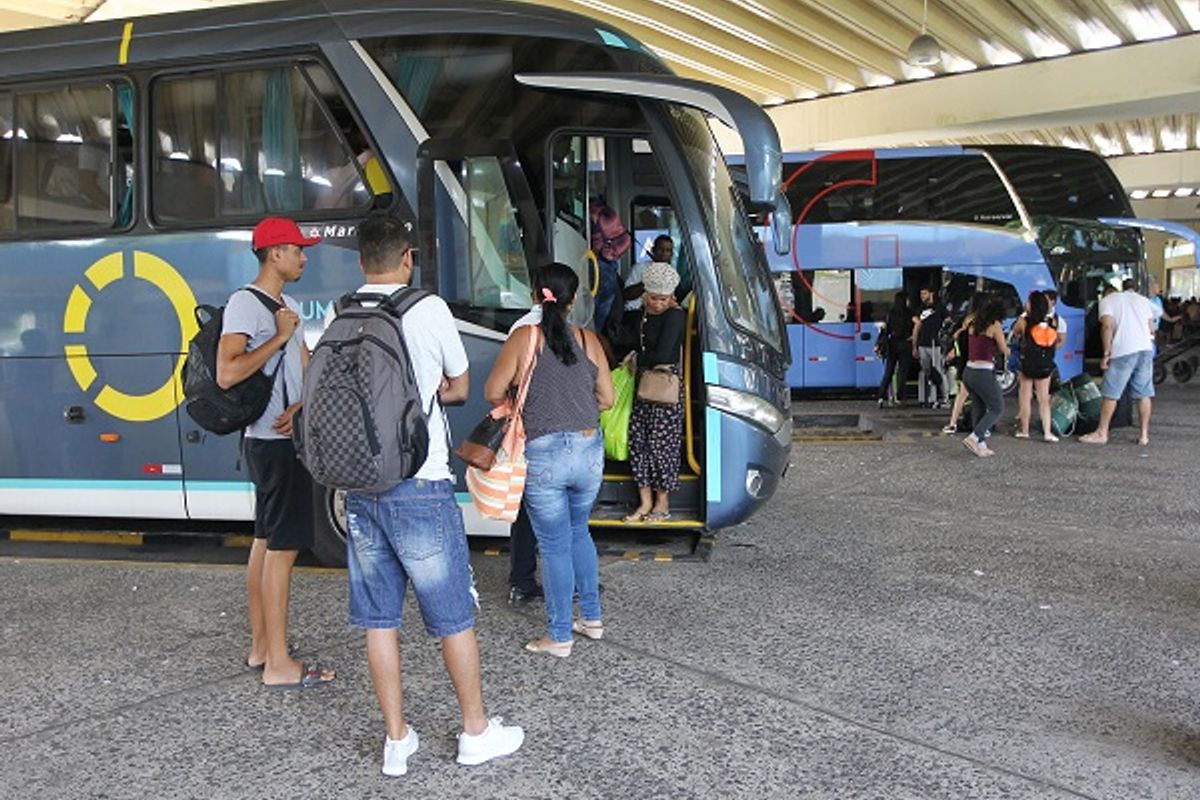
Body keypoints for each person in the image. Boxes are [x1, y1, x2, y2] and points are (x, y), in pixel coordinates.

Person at [341, 216, 524, 775]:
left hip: (359, 486)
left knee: (380, 619)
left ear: (361, 262)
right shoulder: (427, 309)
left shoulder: (345, 311)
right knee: (451, 617)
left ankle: (396, 740)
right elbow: (462, 385)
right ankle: (474, 731)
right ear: (408, 258)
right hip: (420, 483)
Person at [216, 216, 334, 688]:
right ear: (274, 253)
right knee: (282, 550)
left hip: (283, 437)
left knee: (266, 543)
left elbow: (302, 369)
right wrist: (282, 336)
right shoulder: (246, 304)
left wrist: (304, 401)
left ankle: (263, 647)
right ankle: (280, 665)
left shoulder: (288, 303)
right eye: (297, 249)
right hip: (271, 443)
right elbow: (227, 372)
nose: (304, 257)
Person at [484, 262, 614, 657]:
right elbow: (607, 399)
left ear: (534, 296)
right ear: (573, 301)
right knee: (580, 533)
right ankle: (591, 618)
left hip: (546, 454)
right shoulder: (589, 340)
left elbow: (493, 391)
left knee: (555, 545)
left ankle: (559, 635)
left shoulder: (525, 338)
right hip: (589, 450)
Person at [624, 262, 686, 520]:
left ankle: (663, 503)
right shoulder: (641, 316)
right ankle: (645, 502)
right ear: (645, 294)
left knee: (663, 447)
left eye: (663, 299)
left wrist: (640, 357)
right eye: (654, 298)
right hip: (644, 385)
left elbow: (662, 352)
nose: (659, 303)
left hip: (665, 386)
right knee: (638, 443)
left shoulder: (675, 315)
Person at [506, 271, 545, 607]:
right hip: (564, 437)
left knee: (525, 512)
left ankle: (521, 580)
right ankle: (572, 583)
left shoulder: (520, 330)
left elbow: (495, 389)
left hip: (526, 432)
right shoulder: (578, 334)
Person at [1079, 278, 1157, 446]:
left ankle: (1102, 433)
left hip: (1123, 350)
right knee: (1143, 393)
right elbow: (1152, 328)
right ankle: (1144, 435)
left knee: (1111, 393)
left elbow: (1107, 327)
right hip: (1145, 349)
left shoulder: (1107, 301)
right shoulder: (1143, 300)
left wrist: (1106, 353)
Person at [960, 296, 1009, 457]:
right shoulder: (995, 325)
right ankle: (975, 437)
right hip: (983, 372)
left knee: (978, 406)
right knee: (997, 407)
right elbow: (1003, 349)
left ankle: (981, 445)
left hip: (969, 372)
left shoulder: (972, 325)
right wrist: (1008, 350)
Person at [1011, 291, 1059, 442]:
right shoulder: (1052, 322)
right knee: (1044, 399)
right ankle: (1047, 432)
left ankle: (1024, 430)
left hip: (1027, 363)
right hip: (1045, 364)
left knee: (1025, 397)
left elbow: (1015, 332)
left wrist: (1024, 315)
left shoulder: (1024, 322)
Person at [912, 286, 948, 408]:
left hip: (935, 344)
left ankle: (944, 397)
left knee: (938, 370)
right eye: (921, 294)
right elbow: (916, 325)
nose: (922, 296)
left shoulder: (939, 307)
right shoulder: (920, 309)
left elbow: (948, 320)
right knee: (926, 371)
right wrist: (915, 345)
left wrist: (943, 331)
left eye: (925, 293)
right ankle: (927, 398)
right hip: (923, 343)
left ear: (931, 293)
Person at [877, 291, 914, 408]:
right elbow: (917, 323)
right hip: (905, 343)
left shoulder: (890, 313)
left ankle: (881, 397)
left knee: (889, 371)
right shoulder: (909, 313)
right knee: (902, 372)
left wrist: (878, 343)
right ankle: (899, 397)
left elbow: (885, 330)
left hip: (892, 344)